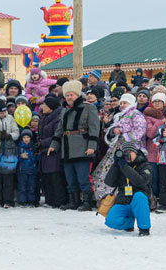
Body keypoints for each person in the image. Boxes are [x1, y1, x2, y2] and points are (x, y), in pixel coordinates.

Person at [49, 81, 100, 211]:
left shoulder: (89, 108)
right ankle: (74, 201)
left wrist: (92, 146)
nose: (69, 98)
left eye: (71, 95)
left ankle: (87, 202)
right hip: (67, 148)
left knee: (83, 177)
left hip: (83, 146)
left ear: (77, 95)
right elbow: (60, 129)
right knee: (70, 177)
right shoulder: (64, 110)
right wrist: (54, 144)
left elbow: (95, 128)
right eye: (67, 95)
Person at [103, 143, 151, 236]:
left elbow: (140, 182)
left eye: (130, 152)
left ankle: (144, 228)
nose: (128, 155)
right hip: (123, 200)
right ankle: (129, 223)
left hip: (139, 201)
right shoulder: (121, 165)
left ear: (136, 152)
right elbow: (109, 182)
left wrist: (125, 167)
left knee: (139, 196)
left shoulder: (145, 165)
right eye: (126, 152)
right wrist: (116, 165)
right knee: (110, 221)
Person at [17, 129, 39, 206]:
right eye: (24, 137)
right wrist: (20, 156)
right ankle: (22, 201)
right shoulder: (19, 147)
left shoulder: (33, 147)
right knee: (22, 186)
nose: (26, 139)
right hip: (22, 170)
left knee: (31, 186)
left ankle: (31, 200)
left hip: (32, 170)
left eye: (28, 137)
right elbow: (16, 158)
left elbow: (37, 158)